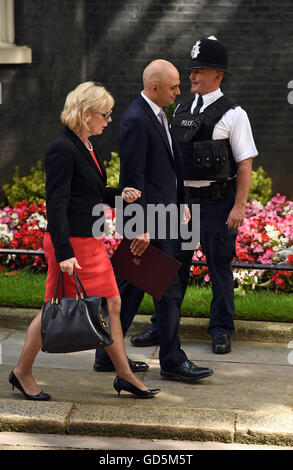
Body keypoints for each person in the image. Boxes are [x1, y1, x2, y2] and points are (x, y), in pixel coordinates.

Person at [9, 81, 160, 400]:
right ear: (87, 113)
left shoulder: (87, 145)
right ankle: (21, 372)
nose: (108, 120)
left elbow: (90, 193)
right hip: (70, 245)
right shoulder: (62, 149)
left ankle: (125, 375)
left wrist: (120, 194)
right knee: (52, 309)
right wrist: (64, 253)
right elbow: (58, 204)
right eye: (104, 114)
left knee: (113, 303)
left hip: (90, 241)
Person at [130, 36, 258, 354]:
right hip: (182, 202)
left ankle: (221, 329)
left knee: (218, 267)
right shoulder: (181, 108)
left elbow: (244, 164)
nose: (191, 77)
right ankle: (161, 327)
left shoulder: (234, 114)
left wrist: (239, 206)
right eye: (191, 71)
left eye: (198, 71)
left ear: (218, 74)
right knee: (169, 267)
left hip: (218, 202)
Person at [94, 60, 214, 382]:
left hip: (166, 217)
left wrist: (182, 205)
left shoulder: (159, 114)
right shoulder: (136, 119)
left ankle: (106, 353)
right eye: (174, 86)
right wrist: (141, 226)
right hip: (151, 222)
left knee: (131, 287)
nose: (179, 91)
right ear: (154, 87)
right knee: (170, 290)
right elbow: (135, 179)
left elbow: (170, 168)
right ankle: (172, 360)